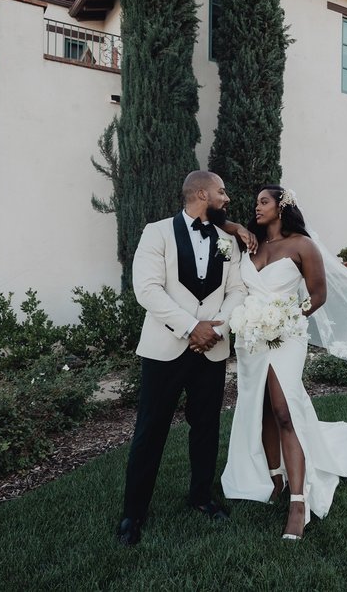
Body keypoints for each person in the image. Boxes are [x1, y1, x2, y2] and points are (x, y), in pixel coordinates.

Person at [221, 185, 347, 540]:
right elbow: (220, 222)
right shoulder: (252, 243)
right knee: (261, 408)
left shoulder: (303, 246)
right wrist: (235, 228)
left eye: (264, 202)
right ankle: (274, 478)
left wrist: (288, 316)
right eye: (255, 203)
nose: (256, 207)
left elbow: (318, 295)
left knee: (285, 409)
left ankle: (298, 502)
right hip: (251, 339)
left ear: (282, 207)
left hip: (286, 336)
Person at [117, 170, 252, 547]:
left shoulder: (229, 240)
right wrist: (192, 327)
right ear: (201, 193)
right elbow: (147, 289)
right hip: (166, 348)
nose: (227, 198)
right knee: (150, 430)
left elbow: (238, 290)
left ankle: (201, 497)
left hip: (212, 350)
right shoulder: (156, 232)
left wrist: (217, 330)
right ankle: (134, 512)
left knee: (206, 428)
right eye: (221, 192)